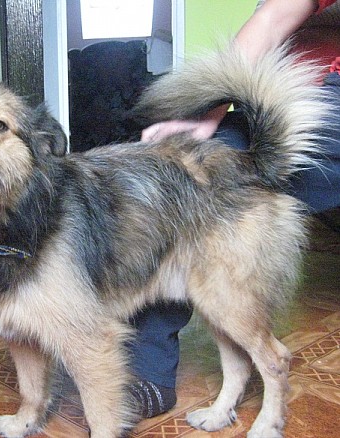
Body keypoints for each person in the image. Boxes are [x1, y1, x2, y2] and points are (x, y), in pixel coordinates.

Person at [131, 0, 340, 418]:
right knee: (181, 174)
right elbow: (274, 16)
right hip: (309, 83)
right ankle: (148, 370)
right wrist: (205, 114)